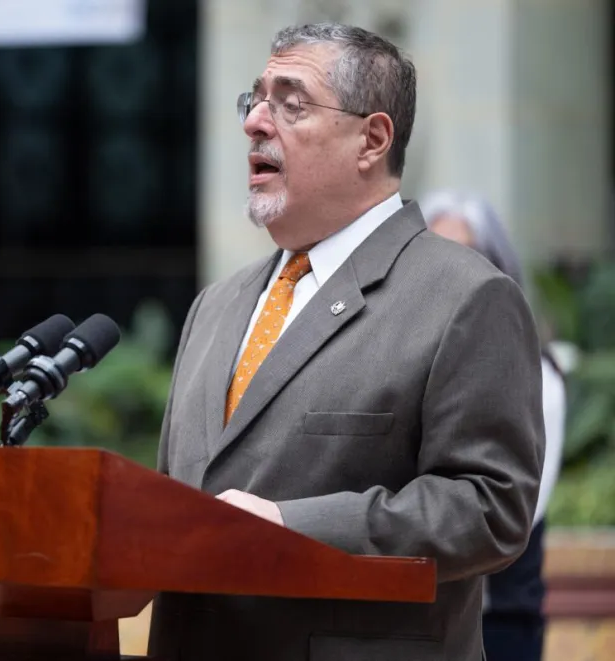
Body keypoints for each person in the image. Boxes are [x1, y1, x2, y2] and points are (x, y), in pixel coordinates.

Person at [147, 23, 545, 661]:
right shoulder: (215, 306)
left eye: (291, 102)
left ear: (373, 139)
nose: (255, 122)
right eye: (254, 99)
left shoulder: (466, 296)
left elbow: (490, 508)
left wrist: (292, 528)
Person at [421, 190, 566, 661]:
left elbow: (508, 512)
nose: (451, 274)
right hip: (419, 624)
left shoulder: (536, 375)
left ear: (498, 266)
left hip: (497, 622)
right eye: (433, 255)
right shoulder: (412, 366)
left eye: (467, 255)